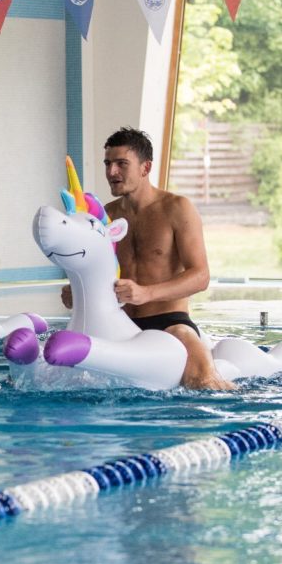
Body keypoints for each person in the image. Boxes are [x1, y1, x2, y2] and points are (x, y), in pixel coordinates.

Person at [62, 127, 235, 390]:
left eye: (122, 164)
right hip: (118, 323)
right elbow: (95, 269)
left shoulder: (177, 208)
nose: (112, 172)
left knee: (204, 383)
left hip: (169, 322)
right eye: (108, 163)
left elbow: (200, 277)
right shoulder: (105, 216)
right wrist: (76, 291)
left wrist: (146, 293)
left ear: (145, 167)